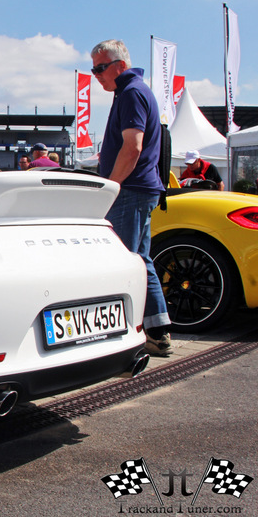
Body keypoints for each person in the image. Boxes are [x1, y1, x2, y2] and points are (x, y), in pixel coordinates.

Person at [91, 39, 172, 356]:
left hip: (130, 189)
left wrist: (111, 186)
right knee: (140, 260)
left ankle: (124, 335)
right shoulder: (133, 91)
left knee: (123, 262)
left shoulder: (131, 93)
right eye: (94, 69)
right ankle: (157, 331)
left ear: (120, 66)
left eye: (100, 68)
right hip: (139, 189)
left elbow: (133, 146)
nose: (97, 75)